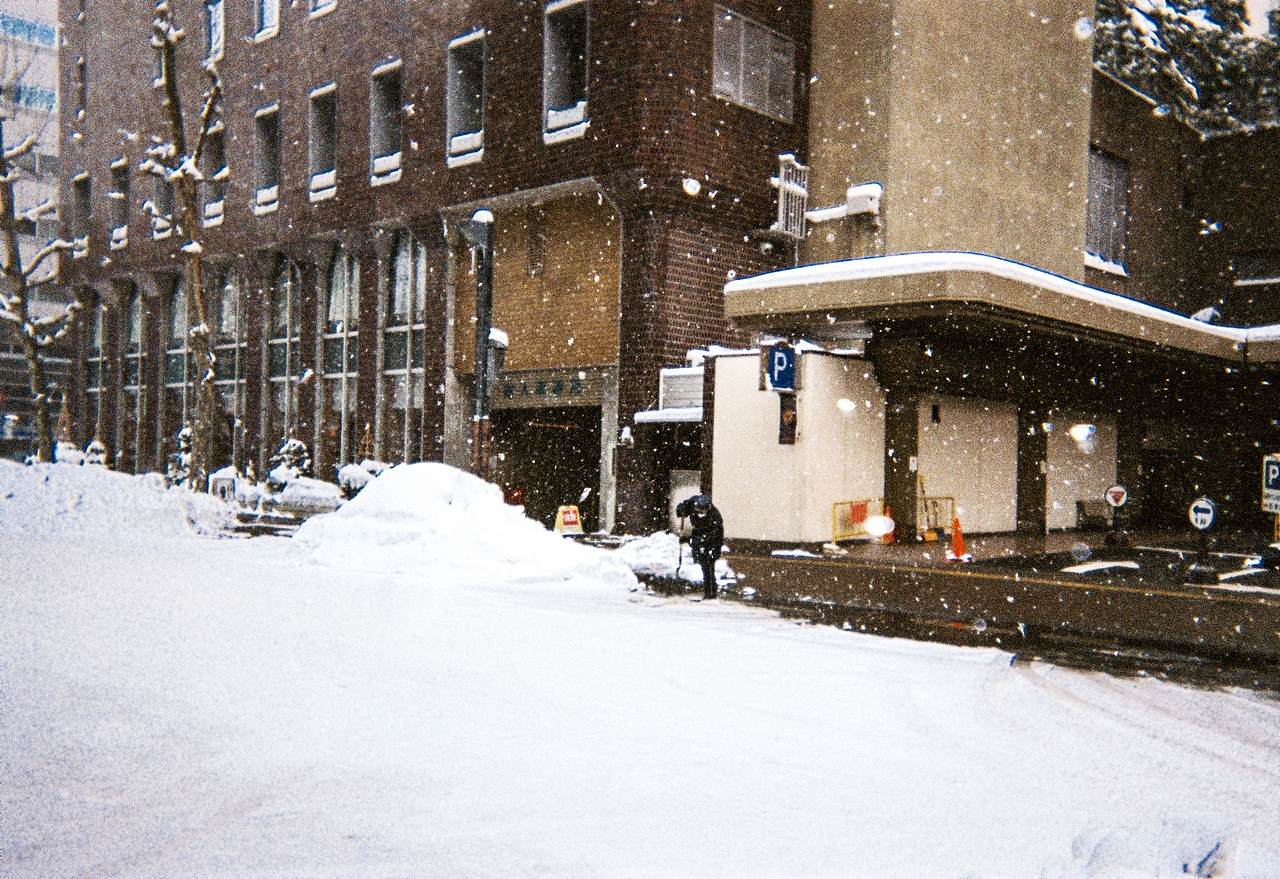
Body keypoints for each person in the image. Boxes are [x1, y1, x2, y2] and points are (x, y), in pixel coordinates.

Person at [676, 494, 724, 600]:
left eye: (702, 512)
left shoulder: (715, 518)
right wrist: (681, 510)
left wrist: (690, 540)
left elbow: (708, 538)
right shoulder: (692, 502)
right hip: (698, 533)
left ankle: (710, 593)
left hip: (712, 542)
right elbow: (682, 509)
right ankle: (709, 590)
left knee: (708, 565)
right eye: (698, 511)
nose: (700, 514)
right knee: (702, 562)